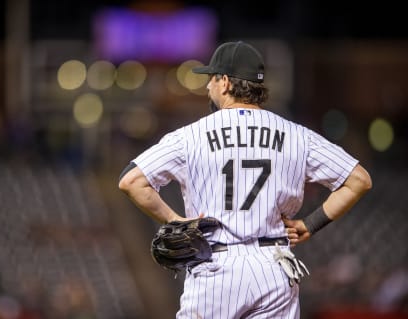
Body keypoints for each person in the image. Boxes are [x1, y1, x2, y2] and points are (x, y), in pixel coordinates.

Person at [118, 41, 372, 318]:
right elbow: (359, 180)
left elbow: (131, 181)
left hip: (216, 265)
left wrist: (174, 220)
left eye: (211, 79)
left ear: (225, 82)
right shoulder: (297, 135)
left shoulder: (190, 136)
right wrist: (310, 224)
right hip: (274, 265)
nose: (207, 87)